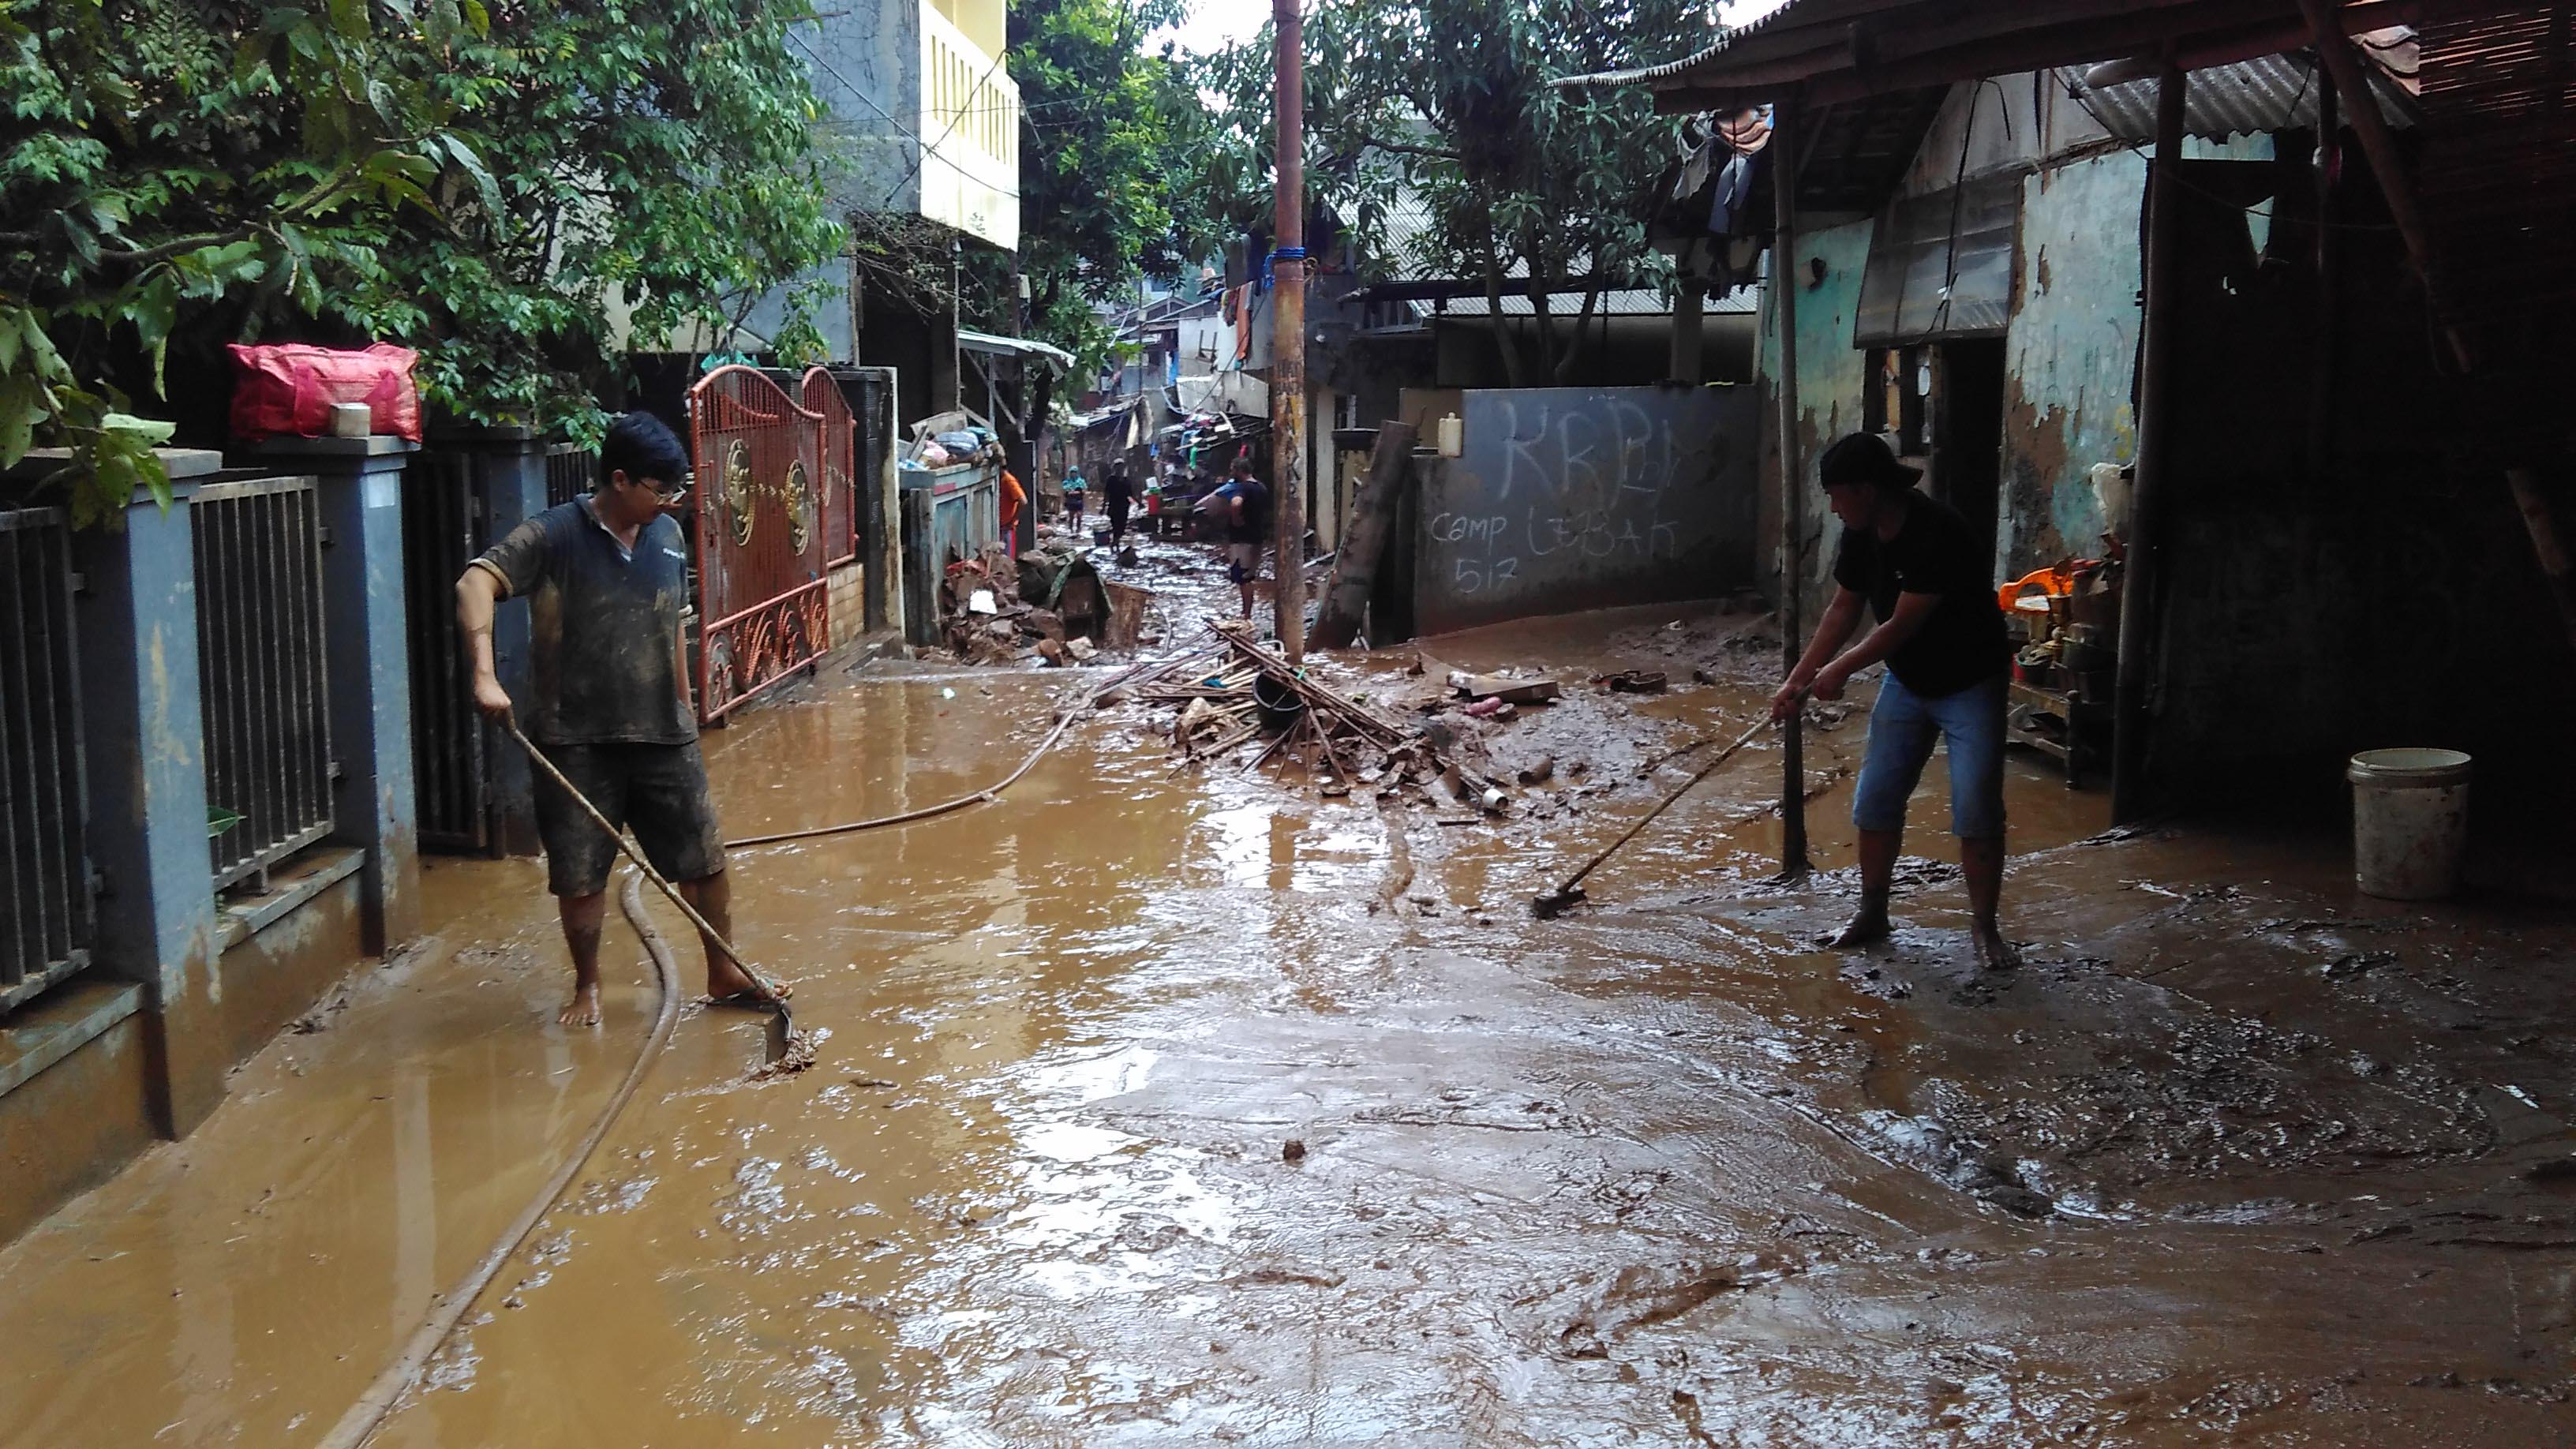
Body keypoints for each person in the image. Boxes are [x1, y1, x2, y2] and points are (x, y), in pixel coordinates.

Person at [455, 412, 772, 1027]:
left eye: (676, 490)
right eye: (661, 490)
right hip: (574, 738)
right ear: (620, 479)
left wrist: (688, 713)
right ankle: (588, 986)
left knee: (705, 859)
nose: (670, 502)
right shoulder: (554, 535)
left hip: (662, 732)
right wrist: (485, 675)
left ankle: (723, 970)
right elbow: (474, 583)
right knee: (579, 874)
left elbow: (672, 621)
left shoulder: (668, 538)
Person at [1770, 432, 2015, 971]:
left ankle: (1985, 927)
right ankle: (1873, 913)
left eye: (1838, 495)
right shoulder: (1860, 533)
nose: (1833, 507)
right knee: (1876, 800)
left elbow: (1902, 624)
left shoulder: (1937, 532)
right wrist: (1799, 678)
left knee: (1975, 806)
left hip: (1970, 680)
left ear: (1868, 489)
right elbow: (1843, 607)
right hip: (1908, 681)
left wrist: (1839, 670)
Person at [1200, 455, 1271, 620]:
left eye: (1233, 469)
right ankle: (1247, 612)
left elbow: (1236, 503)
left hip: (1242, 538)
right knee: (1250, 575)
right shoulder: (1261, 487)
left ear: (1239, 471)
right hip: (1257, 535)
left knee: (1243, 578)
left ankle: (1246, 614)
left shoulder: (1242, 488)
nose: (1231, 472)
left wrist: (1236, 519)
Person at [1103, 460, 1135, 547]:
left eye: (1121, 467)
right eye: (1118, 467)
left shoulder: (1126, 480)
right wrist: (1103, 507)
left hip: (1124, 507)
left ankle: (1115, 541)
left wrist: (1138, 503)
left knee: (1122, 526)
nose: (1120, 469)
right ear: (1115, 468)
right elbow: (1107, 494)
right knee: (1115, 524)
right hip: (1114, 505)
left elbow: (1130, 494)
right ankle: (1115, 542)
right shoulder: (1110, 479)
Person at [1062, 465, 1088, 530]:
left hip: (1079, 502)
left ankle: (1078, 530)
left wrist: (1073, 493)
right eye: (1072, 472)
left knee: (1079, 516)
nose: (1073, 474)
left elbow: (1084, 491)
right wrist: (1076, 492)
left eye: (1075, 472)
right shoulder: (1066, 482)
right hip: (1070, 502)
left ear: (1077, 473)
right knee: (1071, 517)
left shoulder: (1081, 481)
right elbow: (1065, 492)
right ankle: (1071, 530)